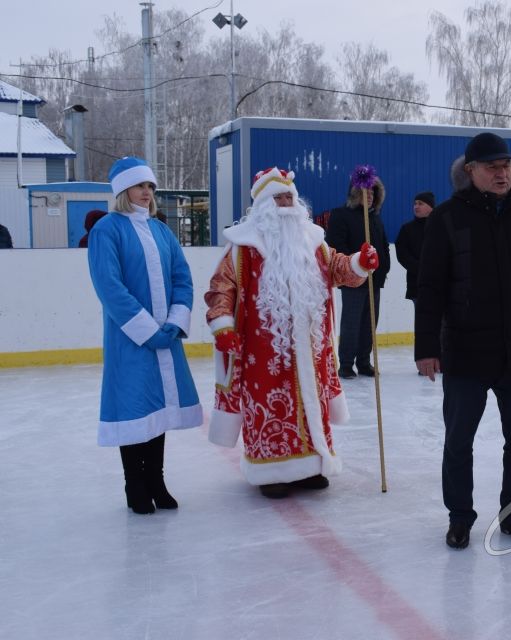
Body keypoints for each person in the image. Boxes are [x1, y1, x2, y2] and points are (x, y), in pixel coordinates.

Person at [415, 132, 511, 549]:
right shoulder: (447, 218)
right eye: (492, 167)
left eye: (505, 166)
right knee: (458, 440)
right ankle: (460, 517)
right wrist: (426, 347)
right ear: (470, 172)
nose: (502, 173)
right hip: (465, 350)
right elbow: (428, 286)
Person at [205, 167, 379, 499]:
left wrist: (359, 262)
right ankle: (272, 471)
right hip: (263, 350)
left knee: (311, 402)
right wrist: (223, 326)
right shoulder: (243, 246)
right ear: (263, 207)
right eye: (278, 198)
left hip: (310, 346)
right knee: (269, 403)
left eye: (290, 197)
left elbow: (337, 269)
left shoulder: (313, 240)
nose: (286, 204)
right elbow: (220, 290)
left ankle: (312, 465)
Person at [86, 156, 202, 514]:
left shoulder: (162, 231)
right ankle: (134, 485)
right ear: (124, 190)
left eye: (151, 187)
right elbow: (109, 286)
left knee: (158, 413)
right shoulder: (107, 229)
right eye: (141, 186)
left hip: (165, 338)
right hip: (131, 341)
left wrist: (173, 322)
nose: (148, 193)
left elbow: (182, 277)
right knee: (134, 411)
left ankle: (156, 480)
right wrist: (147, 330)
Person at [326, 174, 391, 378]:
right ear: (355, 194)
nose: (370, 197)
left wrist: (384, 268)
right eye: (366, 192)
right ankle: (346, 363)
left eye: (373, 193)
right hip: (353, 280)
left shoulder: (375, 218)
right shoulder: (340, 215)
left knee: (370, 323)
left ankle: (364, 361)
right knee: (352, 323)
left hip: (375, 279)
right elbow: (336, 246)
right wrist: (354, 266)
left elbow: (383, 245)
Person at [395, 191, 434, 303]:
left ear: (430, 207)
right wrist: (420, 268)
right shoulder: (407, 229)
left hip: (440, 284)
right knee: (422, 319)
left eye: (420, 203)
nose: (416, 206)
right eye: (415, 203)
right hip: (417, 284)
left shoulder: (440, 227)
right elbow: (402, 254)